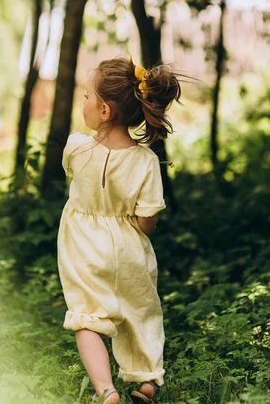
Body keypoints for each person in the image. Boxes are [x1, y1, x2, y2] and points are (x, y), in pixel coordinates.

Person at [57, 57, 182, 404]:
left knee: (87, 318)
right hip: (128, 251)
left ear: (104, 111)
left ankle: (107, 390)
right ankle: (145, 382)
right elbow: (146, 221)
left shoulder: (76, 148)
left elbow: (78, 179)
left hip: (82, 248)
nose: (83, 104)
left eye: (86, 97)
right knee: (140, 313)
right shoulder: (145, 160)